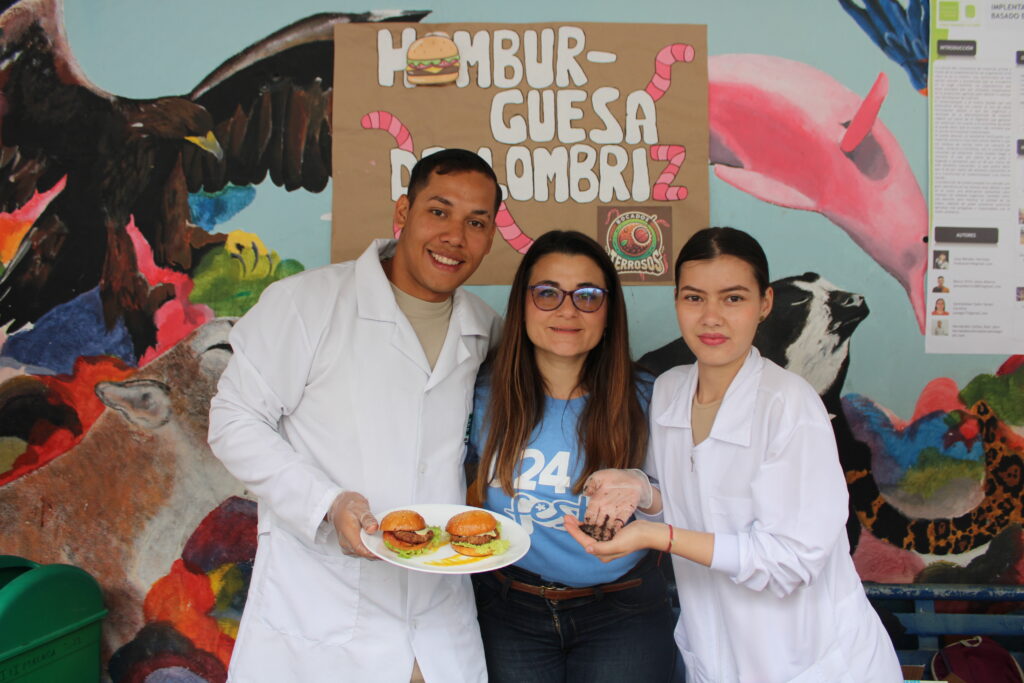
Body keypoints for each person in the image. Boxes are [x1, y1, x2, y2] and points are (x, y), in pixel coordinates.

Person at [208, 149, 503, 682]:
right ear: (403, 212)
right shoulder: (306, 303)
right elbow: (233, 420)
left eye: (475, 222)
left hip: (438, 614)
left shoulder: (485, 328)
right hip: (323, 608)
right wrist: (327, 504)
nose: (455, 236)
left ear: (490, 237)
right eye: (439, 211)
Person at [565, 227, 902, 682]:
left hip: (808, 661)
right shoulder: (669, 391)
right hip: (717, 654)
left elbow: (791, 559)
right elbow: (691, 500)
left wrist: (655, 536)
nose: (711, 318)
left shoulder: (790, 406)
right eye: (694, 298)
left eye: (733, 298)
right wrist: (639, 488)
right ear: (677, 301)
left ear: (765, 304)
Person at [467, 230, 676, 683]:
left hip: (623, 611)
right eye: (547, 293)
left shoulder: (650, 398)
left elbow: (689, 506)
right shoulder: (478, 393)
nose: (567, 310)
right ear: (522, 304)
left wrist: (643, 489)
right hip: (508, 609)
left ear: (608, 311)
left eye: (587, 295)